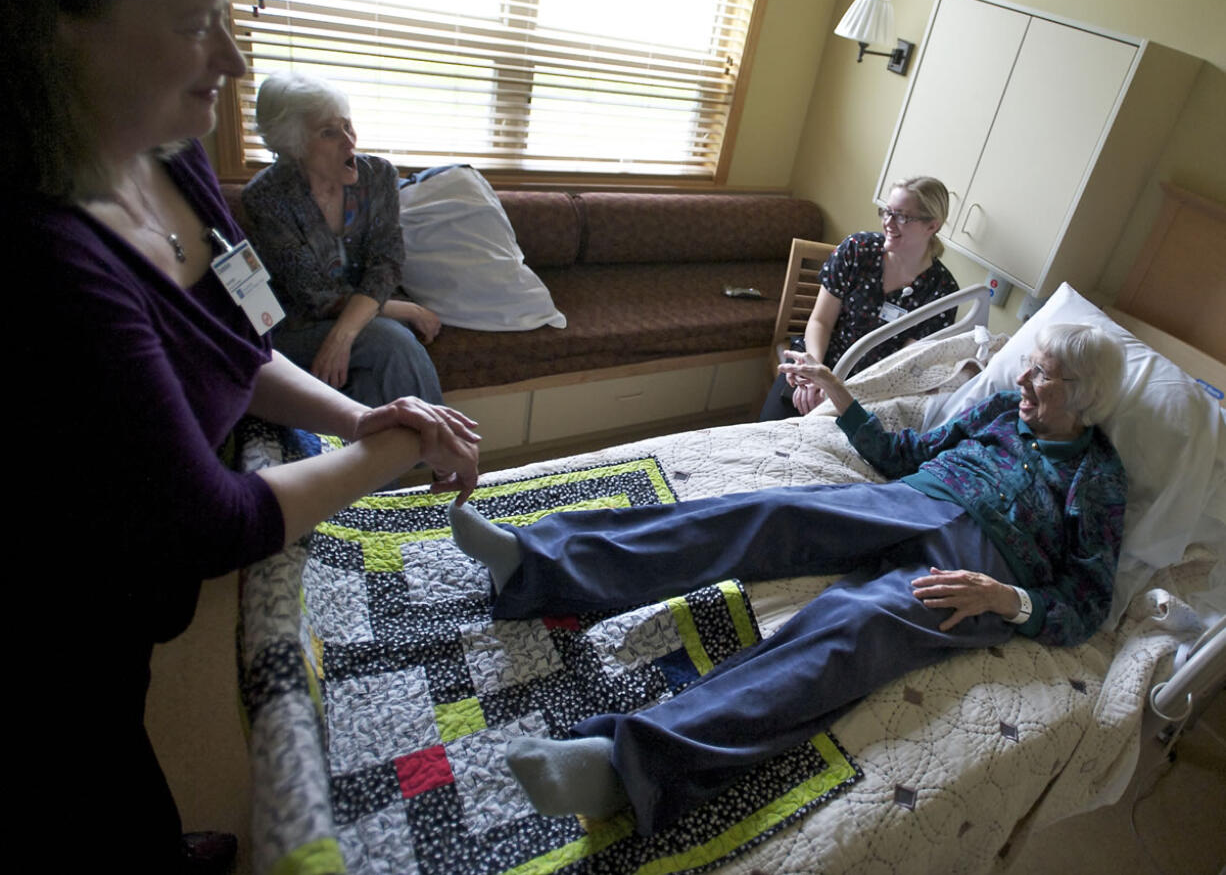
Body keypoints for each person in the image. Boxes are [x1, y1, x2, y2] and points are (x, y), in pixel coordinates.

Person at [9, 0, 478, 870]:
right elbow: (211, 521)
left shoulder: (172, 158)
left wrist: (361, 419)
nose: (232, 59)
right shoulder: (53, 257)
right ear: (62, 34)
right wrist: (393, 453)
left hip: (140, 569)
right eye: (195, 26)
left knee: (115, 722)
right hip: (53, 582)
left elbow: (238, 341)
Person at [449, 323, 1127, 836]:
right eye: (1030, 366)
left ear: (1086, 399)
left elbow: (1087, 601)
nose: (1025, 382)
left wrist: (1007, 601)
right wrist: (844, 399)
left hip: (977, 569)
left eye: (1045, 376)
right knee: (770, 513)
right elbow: (906, 454)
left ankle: (626, 767)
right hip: (914, 496)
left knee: (849, 630)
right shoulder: (1000, 412)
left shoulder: (1096, 480)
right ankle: (537, 564)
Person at [242, 70, 445, 407]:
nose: (349, 141)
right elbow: (314, 296)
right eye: (328, 133)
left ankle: (376, 456)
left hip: (362, 314)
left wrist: (344, 334)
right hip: (299, 325)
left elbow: (387, 262)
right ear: (294, 145)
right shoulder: (266, 197)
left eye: (348, 126)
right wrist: (403, 310)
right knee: (393, 343)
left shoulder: (377, 176)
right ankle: (443, 449)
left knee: (374, 380)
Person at [759, 176, 960, 421]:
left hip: (871, 390)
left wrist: (837, 392)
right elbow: (820, 321)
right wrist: (815, 373)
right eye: (887, 212)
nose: (889, 223)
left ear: (932, 226)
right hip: (819, 358)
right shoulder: (857, 250)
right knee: (770, 429)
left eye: (903, 217)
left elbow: (902, 366)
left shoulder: (941, 291)